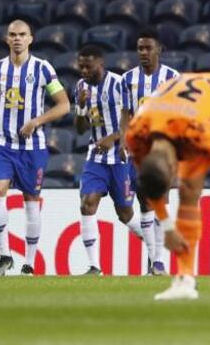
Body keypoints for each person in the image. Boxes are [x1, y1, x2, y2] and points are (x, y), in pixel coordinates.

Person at [125, 71, 210, 301]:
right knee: (188, 189)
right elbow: (151, 183)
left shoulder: (202, 134)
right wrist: (167, 227)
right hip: (183, 114)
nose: (174, 183)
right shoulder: (136, 137)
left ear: (172, 165)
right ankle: (185, 280)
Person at [0, 19, 71, 276]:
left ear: (31, 38)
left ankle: (28, 263)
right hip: (3, 145)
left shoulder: (43, 69)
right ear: (6, 39)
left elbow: (64, 105)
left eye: (22, 34)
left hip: (33, 147)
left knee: (31, 201)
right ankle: (5, 255)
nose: (17, 38)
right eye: (12, 35)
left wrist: (37, 121)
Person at [74, 45, 144, 275]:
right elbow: (80, 129)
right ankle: (94, 266)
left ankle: (154, 246)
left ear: (100, 64)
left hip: (122, 157)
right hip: (96, 157)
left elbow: (134, 121)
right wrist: (82, 108)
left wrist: (113, 137)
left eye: (88, 66)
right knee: (87, 203)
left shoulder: (119, 84)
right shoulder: (81, 87)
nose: (83, 70)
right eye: (80, 65)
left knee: (125, 214)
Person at [119, 28, 180, 275]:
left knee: (161, 200)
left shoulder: (172, 77)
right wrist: (124, 139)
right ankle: (153, 259)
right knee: (144, 203)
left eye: (148, 48)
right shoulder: (128, 80)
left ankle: (158, 261)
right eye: (140, 48)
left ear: (159, 50)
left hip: (162, 148)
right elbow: (125, 114)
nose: (143, 53)